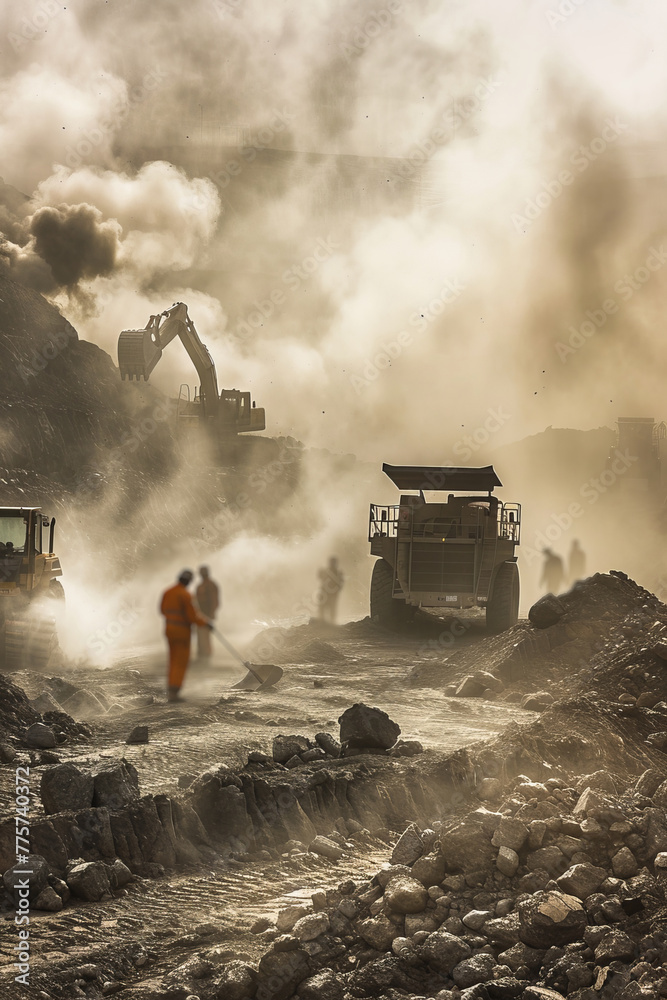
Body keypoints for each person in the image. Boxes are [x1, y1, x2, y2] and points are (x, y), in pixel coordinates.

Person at [160, 569, 212, 702]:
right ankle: (174, 692)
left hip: (169, 630)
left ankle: (171, 690)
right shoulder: (185, 595)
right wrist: (206, 623)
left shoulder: (168, 592)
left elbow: (162, 610)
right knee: (180, 661)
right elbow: (192, 616)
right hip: (182, 632)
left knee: (172, 660)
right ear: (188, 581)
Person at [195, 565, 220, 659]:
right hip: (200, 614)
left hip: (207, 614)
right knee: (200, 634)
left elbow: (214, 600)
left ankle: (206, 654)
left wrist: (211, 613)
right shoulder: (200, 586)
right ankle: (202, 653)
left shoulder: (211, 585)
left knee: (205, 634)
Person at [317, 556, 344, 624]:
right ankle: (323, 622)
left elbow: (340, 583)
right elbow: (320, 577)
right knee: (323, 608)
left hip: (332, 594)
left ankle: (331, 622)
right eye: (331, 562)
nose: (332, 564)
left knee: (331, 609)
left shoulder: (338, 573)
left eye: (333, 563)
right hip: (325, 593)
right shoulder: (326, 571)